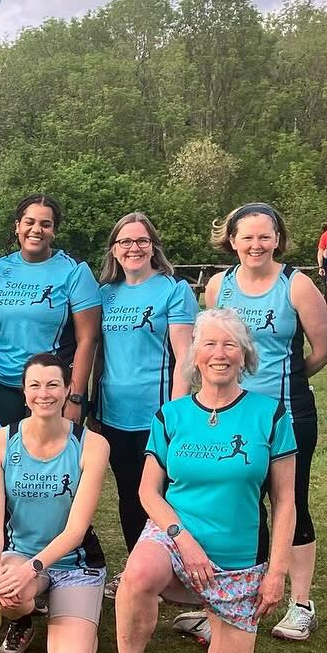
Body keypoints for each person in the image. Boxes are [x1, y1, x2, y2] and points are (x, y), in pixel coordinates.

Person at [99, 308, 296, 653]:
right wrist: (181, 538)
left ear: (244, 355)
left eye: (230, 344)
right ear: (194, 355)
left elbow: (285, 502)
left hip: (236, 555)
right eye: (209, 344)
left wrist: (277, 572)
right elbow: (147, 493)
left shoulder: (271, 414)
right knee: (137, 574)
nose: (219, 353)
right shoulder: (172, 416)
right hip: (175, 536)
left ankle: (211, 615)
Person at [205, 203, 327, 644]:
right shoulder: (219, 285)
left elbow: (323, 346)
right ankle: (227, 598)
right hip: (229, 414)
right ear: (232, 240)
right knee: (233, 503)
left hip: (286, 413)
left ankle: (301, 605)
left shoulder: (295, 285)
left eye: (265, 236)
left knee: (289, 501)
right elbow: (210, 345)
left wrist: (291, 378)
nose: (256, 245)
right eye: (247, 237)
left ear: (277, 239)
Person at [0, 354, 109, 653]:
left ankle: (74, 608)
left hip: (74, 564)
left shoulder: (92, 445)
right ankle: (23, 620)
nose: (44, 394)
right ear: (23, 392)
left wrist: (32, 569)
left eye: (53, 385)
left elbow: (76, 531)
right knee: (8, 596)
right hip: (20, 555)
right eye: (34, 386)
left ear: (68, 389)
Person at [94, 212, 197, 554]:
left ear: (153, 247)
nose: (133, 248)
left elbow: (185, 357)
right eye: (125, 241)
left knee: (161, 494)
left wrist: (174, 414)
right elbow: (98, 353)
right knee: (128, 492)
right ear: (114, 249)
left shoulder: (174, 290)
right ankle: (137, 567)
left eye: (141, 241)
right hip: (112, 415)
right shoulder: (105, 293)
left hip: (155, 415)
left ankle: (171, 565)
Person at [0, 194, 101, 427]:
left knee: (52, 461)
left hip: (52, 390)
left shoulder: (75, 271)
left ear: (54, 231)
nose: (36, 230)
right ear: (17, 226)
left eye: (46, 224)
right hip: (2, 385)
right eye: (29, 222)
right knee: (6, 458)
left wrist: (74, 397)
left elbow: (88, 339)